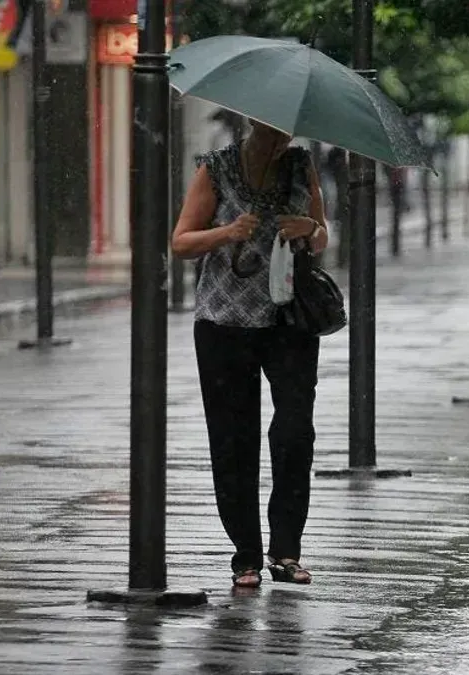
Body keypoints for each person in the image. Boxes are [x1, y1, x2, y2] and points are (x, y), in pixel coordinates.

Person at [171, 122, 329, 589]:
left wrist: (311, 229)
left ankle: (286, 551)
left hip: (289, 320)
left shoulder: (302, 165)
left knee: (295, 432)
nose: (280, 141)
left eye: (285, 134)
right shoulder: (215, 169)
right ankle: (246, 556)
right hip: (224, 322)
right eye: (271, 133)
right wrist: (227, 232)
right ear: (252, 125)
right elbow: (181, 242)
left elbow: (321, 235)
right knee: (233, 440)